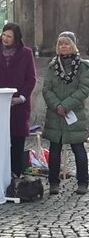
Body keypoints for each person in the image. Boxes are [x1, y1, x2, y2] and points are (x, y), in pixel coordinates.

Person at [0, 22, 36, 177]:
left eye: (9, 36)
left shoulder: (26, 53)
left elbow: (31, 79)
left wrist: (21, 98)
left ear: (16, 39)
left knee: (17, 140)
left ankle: (15, 174)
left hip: (18, 105)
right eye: (4, 35)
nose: (5, 38)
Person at [42, 31, 89, 195]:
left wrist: (67, 105)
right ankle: (53, 182)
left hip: (74, 114)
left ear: (73, 45)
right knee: (54, 150)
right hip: (56, 114)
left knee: (78, 149)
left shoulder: (82, 66)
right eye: (61, 43)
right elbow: (46, 89)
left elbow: (84, 88)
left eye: (67, 43)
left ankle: (83, 182)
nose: (63, 46)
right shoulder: (52, 65)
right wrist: (57, 105)